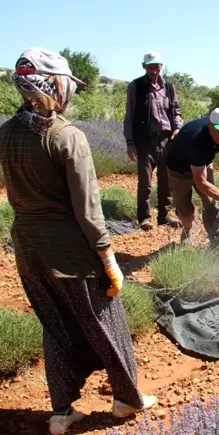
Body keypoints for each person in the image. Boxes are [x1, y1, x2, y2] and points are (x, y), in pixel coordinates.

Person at [0, 47, 157, 435]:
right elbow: (89, 211)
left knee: (54, 325)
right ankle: (127, 399)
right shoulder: (67, 136)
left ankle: (61, 413)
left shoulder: (5, 133)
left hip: (27, 249)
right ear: (54, 84)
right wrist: (108, 257)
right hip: (71, 253)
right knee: (107, 321)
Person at [164, 107, 219, 245]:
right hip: (179, 169)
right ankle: (187, 228)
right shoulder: (196, 140)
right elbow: (200, 182)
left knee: (211, 204)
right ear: (209, 125)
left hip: (202, 163)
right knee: (185, 213)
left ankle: (217, 240)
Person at [123, 51, 183, 231]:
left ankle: (164, 216)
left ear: (161, 66)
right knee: (145, 182)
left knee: (166, 180)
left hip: (166, 140)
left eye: (156, 67)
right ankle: (145, 217)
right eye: (150, 67)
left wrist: (178, 128)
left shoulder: (169, 87)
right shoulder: (135, 86)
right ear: (144, 67)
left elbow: (176, 111)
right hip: (145, 141)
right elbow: (130, 116)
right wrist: (130, 143)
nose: (153, 71)